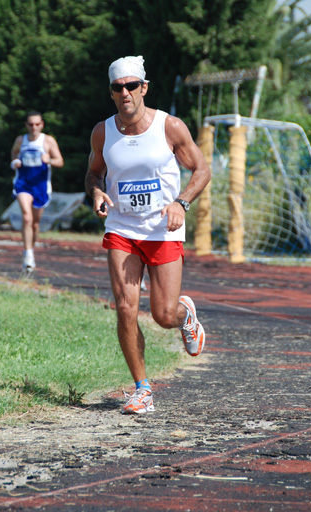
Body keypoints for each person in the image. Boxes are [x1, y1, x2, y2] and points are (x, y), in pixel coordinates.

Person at [85, 55, 211, 414]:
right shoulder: (102, 131)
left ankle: (184, 315)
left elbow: (201, 169)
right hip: (122, 228)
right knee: (125, 309)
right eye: (116, 87)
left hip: (163, 229)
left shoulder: (169, 127)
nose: (124, 92)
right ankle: (142, 389)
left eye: (130, 86)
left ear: (143, 88)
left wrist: (181, 202)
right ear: (111, 93)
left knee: (161, 314)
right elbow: (93, 173)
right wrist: (96, 192)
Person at [11, 111, 64, 272]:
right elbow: (14, 153)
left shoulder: (47, 141)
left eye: (37, 124)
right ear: (26, 125)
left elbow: (60, 161)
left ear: (41, 125)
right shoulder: (21, 140)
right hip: (23, 184)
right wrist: (15, 161)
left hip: (41, 186)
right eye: (30, 124)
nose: (33, 127)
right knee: (26, 218)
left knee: (34, 223)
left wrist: (50, 160)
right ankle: (28, 255)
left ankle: (30, 249)